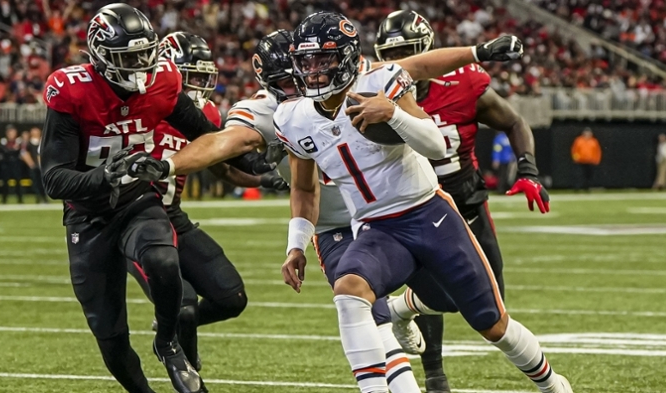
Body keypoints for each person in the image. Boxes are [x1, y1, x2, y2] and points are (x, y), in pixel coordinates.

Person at [274, 11, 571, 393]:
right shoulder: (292, 118)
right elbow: (303, 188)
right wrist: (295, 244)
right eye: (306, 61)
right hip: (376, 227)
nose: (313, 71)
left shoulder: (380, 82)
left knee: (493, 324)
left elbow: (436, 144)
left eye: (323, 60)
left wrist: (393, 113)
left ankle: (552, 385)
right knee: (349, 290)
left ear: (346, 57)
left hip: (428, 213)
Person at [36, 4, 270, 392]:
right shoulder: (72, 90)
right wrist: (102, 176)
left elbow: (204, 132)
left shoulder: (162, 80)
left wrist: (256, 163)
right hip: (88, 217)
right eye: (130, 58)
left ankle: (167, 341)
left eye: (146, 55)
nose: (141, 66)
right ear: (101, 54)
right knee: (109, 335)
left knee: (162, 258)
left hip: (137, 202)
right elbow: (55, 180)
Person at [372, 10, 550, 393]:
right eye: (390, 54)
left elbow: (514, 122)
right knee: (440, 287)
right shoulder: (373, 92)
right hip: (415, 206)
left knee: (489, 301)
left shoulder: (463, 83)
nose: (397, 63)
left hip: (466, 198)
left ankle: (402, 307)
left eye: (406, 52)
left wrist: (528, 170)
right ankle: (435, 374)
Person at [125, 31, 288, 375]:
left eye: (203, 76)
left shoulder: (206, 112)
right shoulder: (145, 103)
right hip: (133, 219)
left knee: (231, 298)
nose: (199, 85)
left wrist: (264, 179)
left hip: (173, 215)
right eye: (192, 76)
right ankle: (188, 367)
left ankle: (168, 330)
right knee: (182, 304)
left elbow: (223, 168)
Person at [20, 127, 48, 203]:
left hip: (42, 166)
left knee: (43, 183)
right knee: (35, 183)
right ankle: (38, 197)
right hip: (33, 166)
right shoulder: (28, 143)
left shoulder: (43, 142)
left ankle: (44, 198)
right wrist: (31, 164)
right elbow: (24, 153)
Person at [0, 124, 24, 204]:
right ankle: (4, 199)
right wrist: (13, 150)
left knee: (18, 181)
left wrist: (11, 150)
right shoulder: (3, 141)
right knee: (5, 181)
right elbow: (4, 151)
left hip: (16, 163)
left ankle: (20, 199)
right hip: (6, 163)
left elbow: (18, 151)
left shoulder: (18, 141)